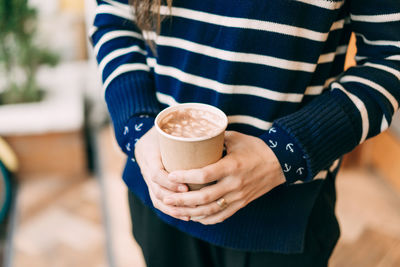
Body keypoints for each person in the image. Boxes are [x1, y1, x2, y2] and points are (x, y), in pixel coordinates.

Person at [90, 0, 400, 266]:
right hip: (159, 201)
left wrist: (282, 155)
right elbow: (115, 21)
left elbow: (390, 58)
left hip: (285, 217)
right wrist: (137, 129)